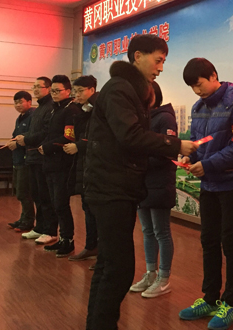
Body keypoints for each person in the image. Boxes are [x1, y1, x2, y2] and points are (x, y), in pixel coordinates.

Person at [83, 34, 197, 330]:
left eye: (164, 61)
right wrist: (176, 146)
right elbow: (130, 136)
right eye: (158, 60)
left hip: (115, 187)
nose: (161, 68)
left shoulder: (129, 89)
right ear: (137, 56)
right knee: (119, 270)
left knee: (109, 265)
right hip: (111, 189)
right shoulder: (120, 88)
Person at [178, 58, 233, 330]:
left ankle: (232, 305)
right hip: (209, 185)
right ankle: (210, 298)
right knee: (209, 242)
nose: (196, 91)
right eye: (192, 87)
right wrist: (191, 157)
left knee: (231, 246)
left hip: (232, 186)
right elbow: (201, 145)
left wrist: (207, 165)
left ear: (213, 76)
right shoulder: (199, 107)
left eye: (198, 84)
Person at [129, 81, 178, 298]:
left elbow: (167, 153)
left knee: (161, 232)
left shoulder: (165, 118)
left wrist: (139, 161)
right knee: (147, 231)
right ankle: (151, 273)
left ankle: (164, 278)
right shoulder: (141, 118)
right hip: (142, 183)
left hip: (159, 182)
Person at [38, 74, 81, 257]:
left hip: (62, 164)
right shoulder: (54, 109)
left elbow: (69, 137)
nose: (54, 94)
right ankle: (62, 238)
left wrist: (47, 147)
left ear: (68, 91)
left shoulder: (70, 110)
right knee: (55, 203)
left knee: (61, 204)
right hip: (50, 162)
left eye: (58, 91)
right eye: (53, 91)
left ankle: (68, 240)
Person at [15, 77, 58, 245]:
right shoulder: (39, 108)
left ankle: (50, 230)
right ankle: (40, 227)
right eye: (34, 86)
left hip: (42, 157)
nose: (35, 89)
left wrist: (26, 139)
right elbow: (35, 132)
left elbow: (46, 132)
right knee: (36, 195)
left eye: (38, 86)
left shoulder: (50, 107)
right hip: (32, 157)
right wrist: (24, 138)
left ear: (48, 88)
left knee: (46, 197)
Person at [64, 75, 99, 264]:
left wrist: (79, 146)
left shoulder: (100, 109)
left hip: (96, 167)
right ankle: (91, 246)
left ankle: (101, 252)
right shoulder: (83, 110)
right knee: (87, 208)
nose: (76, 95)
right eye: (74, 91)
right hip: (85, 165)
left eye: (79, 91)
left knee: (96, 211)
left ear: (91, 90)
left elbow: (100, 139)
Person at [6, 91, 35, 232]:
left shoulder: (33, 116)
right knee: (19, 191)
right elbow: (16, 136)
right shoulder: (20, 118)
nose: (18, 105)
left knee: (24, 193)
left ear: (29, 102)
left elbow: (31, 136)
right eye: (15, 102)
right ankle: (23, 218)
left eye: (20, 102)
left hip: (26, 160)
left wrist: (17, 144)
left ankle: (28, 221)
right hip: (17, 159)